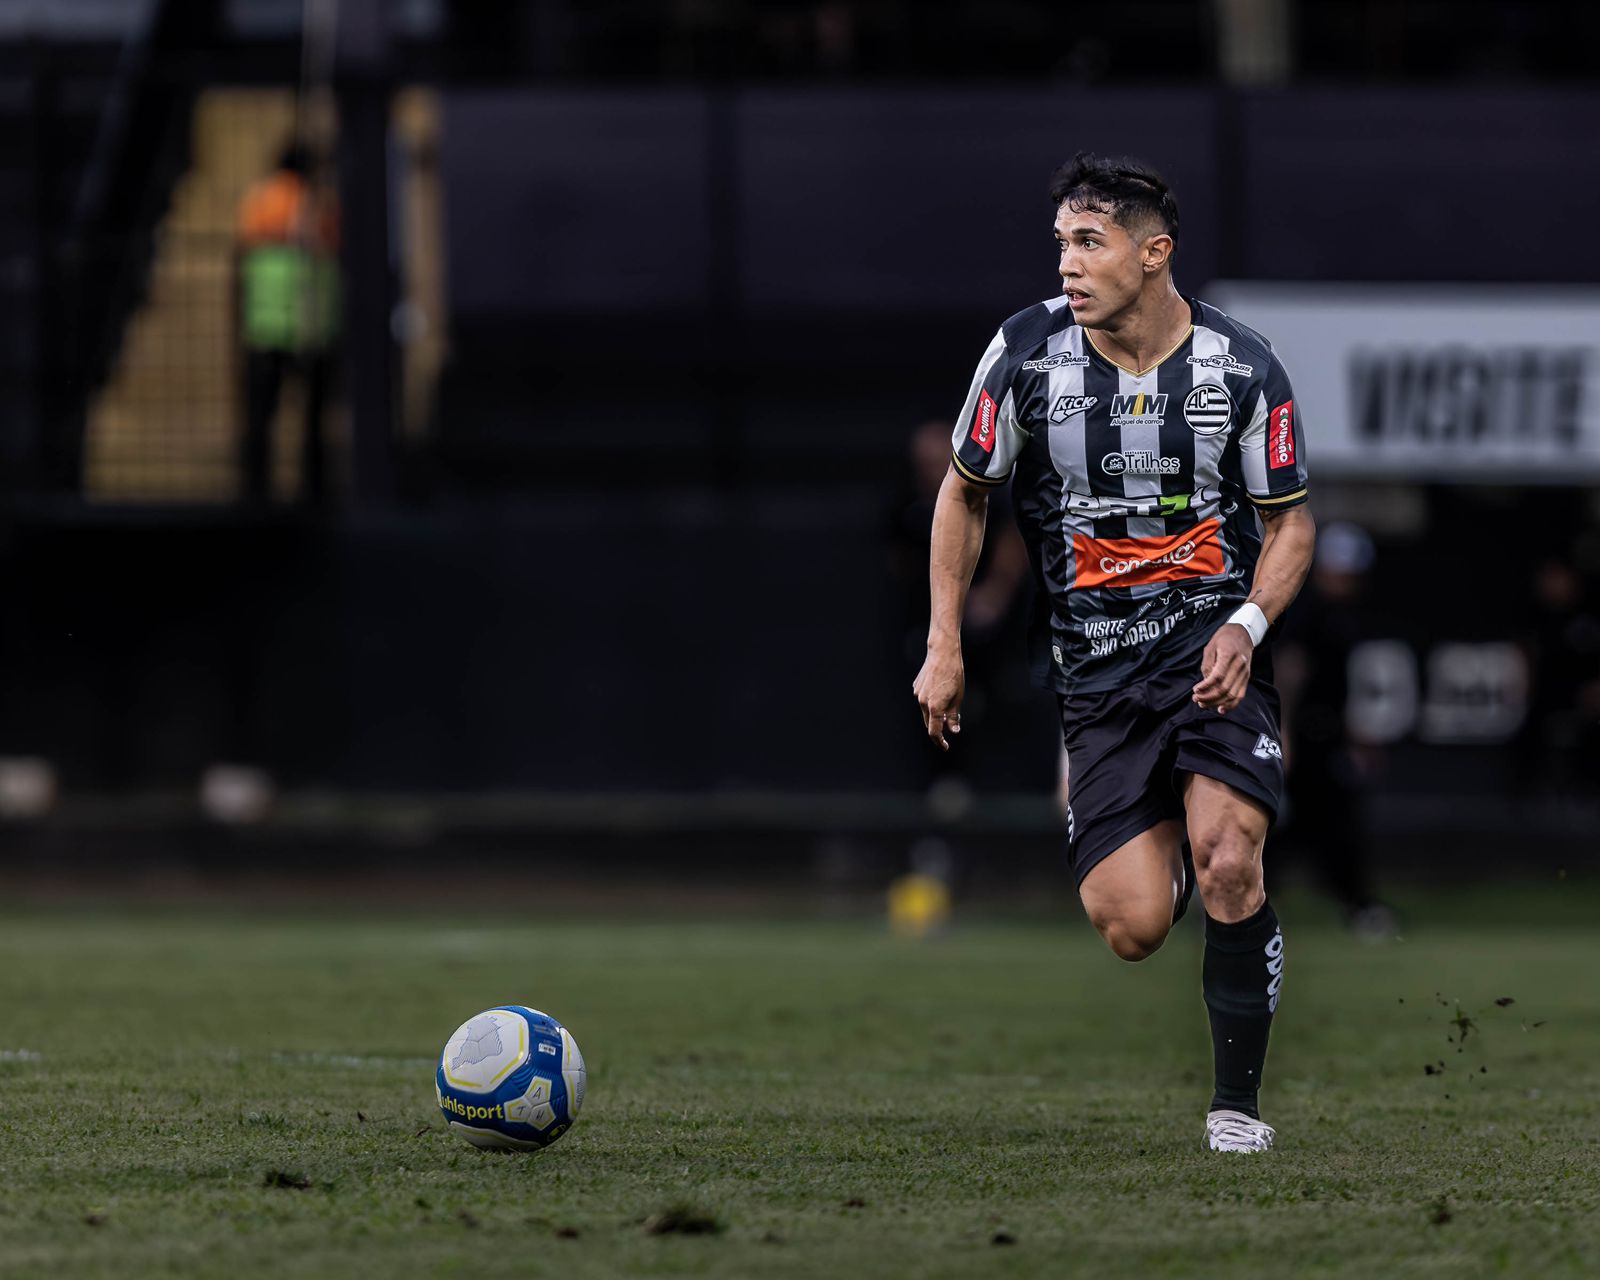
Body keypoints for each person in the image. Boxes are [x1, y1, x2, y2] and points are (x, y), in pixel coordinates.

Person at [914, 153, 1315, 1153]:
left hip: (1212, 660)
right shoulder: (1021, 356)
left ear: (1153, 252)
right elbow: (963, 491)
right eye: (1061, 243)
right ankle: (1169, 856)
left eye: (1088, 243)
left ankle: (1234, 1107)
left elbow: (1293, 526)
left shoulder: (1243, 365)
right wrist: (942, 644)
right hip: (1093, 679)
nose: (1068, 264)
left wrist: (1246, 624)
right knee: (1132, 926)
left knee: (1232, 860)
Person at [1275, 522, 1396, 936]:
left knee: (1325, 823)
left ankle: (1357, 904)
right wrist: (1283, 731)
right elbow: (1290, 672)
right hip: (1304, 737)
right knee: (1299, 825)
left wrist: (1355, 734)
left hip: (1325, 735)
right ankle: (1358, 906)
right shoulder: (1307, 610)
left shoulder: (1342, 615)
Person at [234, 141, 341, 505]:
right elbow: (327, 245)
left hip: (264, 321)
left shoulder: (260, 198)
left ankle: (256, 490)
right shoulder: (314, 202)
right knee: (313, 421)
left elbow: (246, 249)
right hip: (308, 321)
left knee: (261, 417)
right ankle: (314, 488)